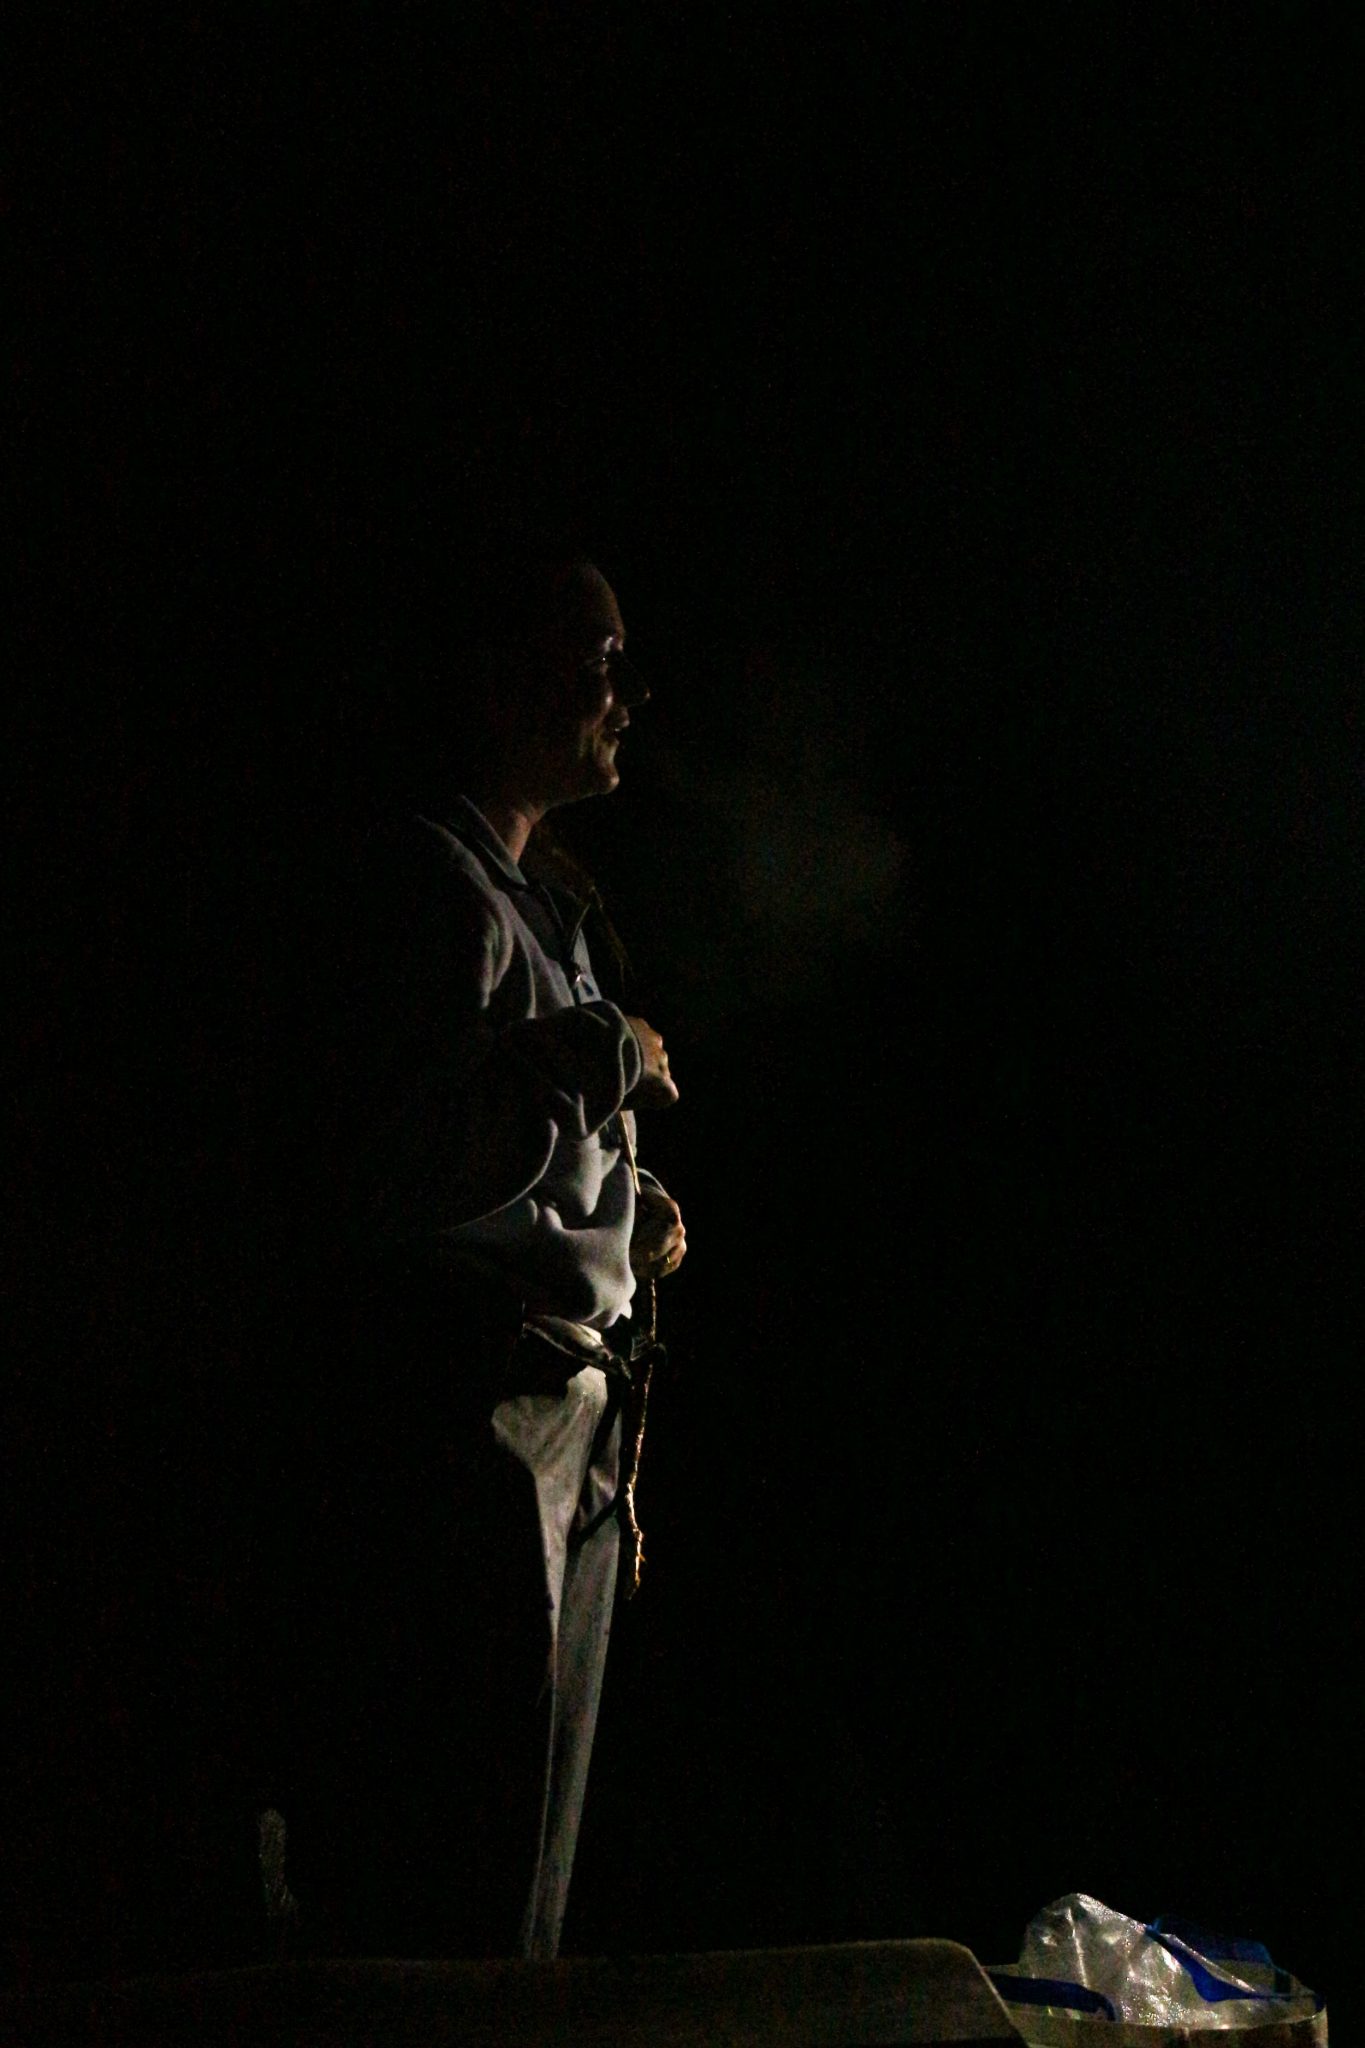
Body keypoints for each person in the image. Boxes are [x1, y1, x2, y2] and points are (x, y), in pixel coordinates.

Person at [256, 553, 686, 1962]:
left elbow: (508, 1149)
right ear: (501, 681)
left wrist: (620, 1213)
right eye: (599, 659)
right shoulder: (427, 886)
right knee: (463, 1876)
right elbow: (390, 1166)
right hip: (474, 1423)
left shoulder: (542, 905)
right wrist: (599, 1058)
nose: (627, 692)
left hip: (563, 1423)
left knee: (526, 1892)